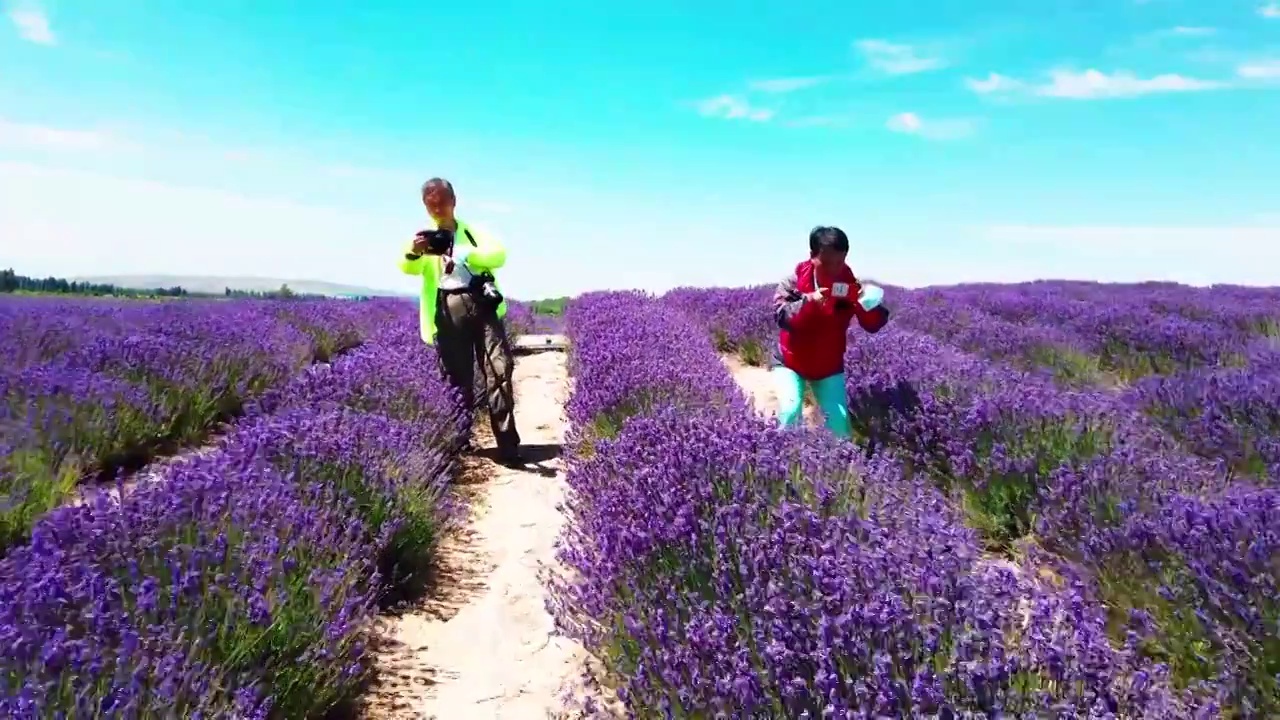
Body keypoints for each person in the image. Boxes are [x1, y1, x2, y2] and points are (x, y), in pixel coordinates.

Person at [398, 177, 523, 466]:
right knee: (456, 379)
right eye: (432, 205)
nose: (438, 209)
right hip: (445, 306)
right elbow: (406, 266)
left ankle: (508, 445)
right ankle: (460, 440)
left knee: (499, 369)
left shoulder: (473, 232)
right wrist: (416, 252)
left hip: (482, 303)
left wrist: (466, 255)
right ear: (425, 206)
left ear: (454, 201)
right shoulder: (424, 236)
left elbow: (499, 255)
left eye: (442, 203)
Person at [770, 225, 890, 437]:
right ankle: (782, 464)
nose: (834, 269)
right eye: (827, 263)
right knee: (790, 412)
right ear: (812, 256)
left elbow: (873, 325)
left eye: (840, 262)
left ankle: (840, 468)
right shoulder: (793, 283)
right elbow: (782, 317)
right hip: (791, 361)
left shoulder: (850, 285)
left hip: (828, 365)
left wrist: (865, 303)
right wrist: (808, 302)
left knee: (839, 424)